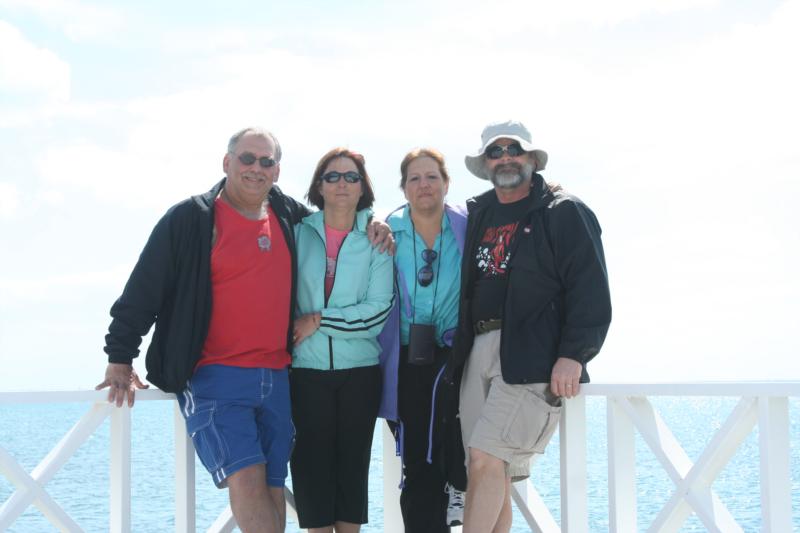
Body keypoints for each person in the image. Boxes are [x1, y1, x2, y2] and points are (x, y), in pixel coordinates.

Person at [96, 129, 392, 533]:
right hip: (216, 376)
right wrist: (119, 356)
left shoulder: (288, 216)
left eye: (266, 162)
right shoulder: (191, 219)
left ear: (277, 171)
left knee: (272, 487)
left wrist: (373, 223)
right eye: (247, 159)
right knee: (248, 481)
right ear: (227, 162)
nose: (256, 168)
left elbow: (337, 222)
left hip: (277, 377)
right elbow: (145, 288)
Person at [447, 120, 612, 533]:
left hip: (530, 354)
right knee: (488, 468)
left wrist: (574, 354)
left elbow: (590, 287)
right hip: (477, 347)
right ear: (485, 163)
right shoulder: (478, 211)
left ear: (532, 158)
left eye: (513, 150)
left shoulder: (564, 210)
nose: (505, 158)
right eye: (495, 152)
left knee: (486, 458)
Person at [289, 148, 394, 533]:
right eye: (332, 176)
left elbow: (378, 311)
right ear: (319, 185)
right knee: (310, 471)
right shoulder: (298, 233)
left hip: (360, 373)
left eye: (351, 176)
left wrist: (318, 320)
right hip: (304, 371)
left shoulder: (379, 237)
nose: (342, 183)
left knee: (353, 471)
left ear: (363, 185)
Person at [378, 148, 468, 532]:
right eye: (414, 178)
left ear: (446, 183)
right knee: (419, 458)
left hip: (456, 355)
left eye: (432, 176)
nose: (424, 185)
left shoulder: (467, 225)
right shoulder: (383, 231)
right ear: (403, 187)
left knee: (441, 456)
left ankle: (453, 493)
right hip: (403, 360)